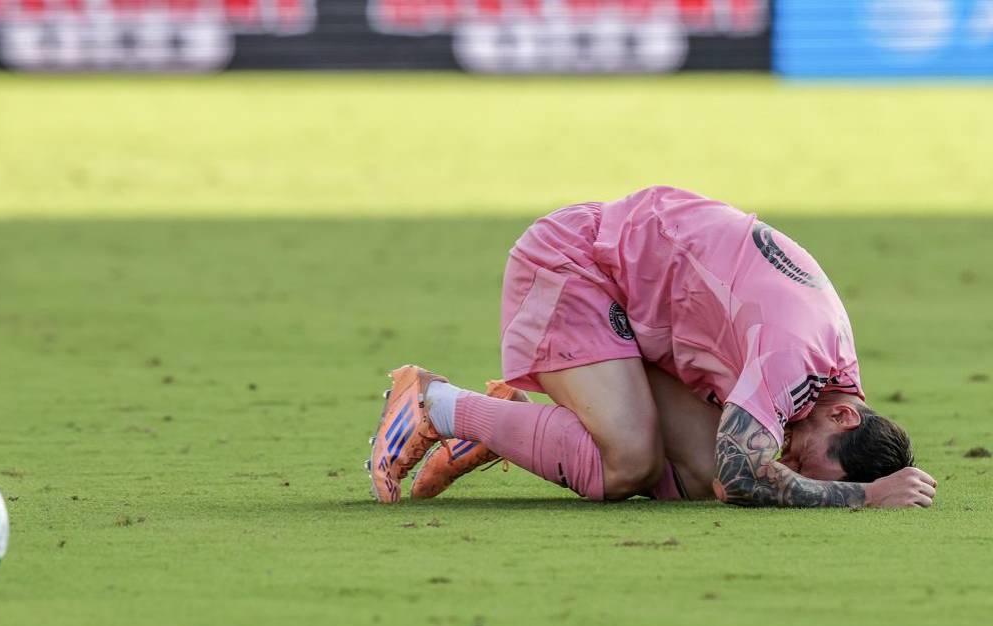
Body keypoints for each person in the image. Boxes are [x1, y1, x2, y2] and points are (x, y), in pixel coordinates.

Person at [365, 186, 936, 508]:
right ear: (842, 415)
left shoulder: (830, 375)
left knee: (690, 477)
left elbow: (720, 476)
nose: (790, 459)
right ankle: (435, 404)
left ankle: (508, 428)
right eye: (806, 457)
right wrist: (864, 497)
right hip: (576, 263)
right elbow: (740, 476)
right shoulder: (797, 357)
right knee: (633, 463)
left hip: (638, 303)